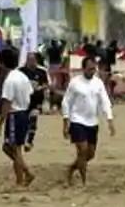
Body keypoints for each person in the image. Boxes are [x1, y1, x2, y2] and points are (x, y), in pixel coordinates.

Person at [61, 55, 115, 186]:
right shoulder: (75, 83)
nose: (92, 71)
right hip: (77, 120)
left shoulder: (98, 83)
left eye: (94, 69)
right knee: (83, 150)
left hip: (93, 122)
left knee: (90, 154)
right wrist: (66, 121)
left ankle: (71, 169)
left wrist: (110, 119)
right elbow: (66, 102)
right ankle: (84, 181)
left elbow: (105, 101)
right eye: (90, 69)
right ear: (83, 69)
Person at [0, 47, 35, 188]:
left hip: (15, 115)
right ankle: (24, 173)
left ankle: (23, 178)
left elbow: (6, 103)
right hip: (23, 113)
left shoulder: (10, 80)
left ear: (3, 63)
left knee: (15, 149)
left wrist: (0, 124)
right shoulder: (22, 76)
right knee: (9, 148)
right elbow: (30, 94)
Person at [19, 52, 49, 152]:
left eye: (33, 59)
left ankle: (29, 141)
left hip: (36, 100)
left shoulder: (41, 72)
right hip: (23, 101)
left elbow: (46, 85)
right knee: (23, 122)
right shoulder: (21, 71)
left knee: (33, 120)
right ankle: (21, 139)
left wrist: (40, 88)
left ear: (36, 60)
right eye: (29, 59)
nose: (31, 62)